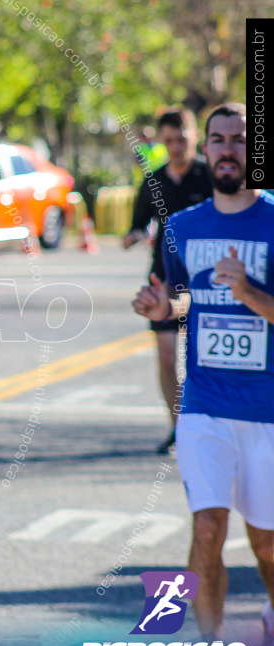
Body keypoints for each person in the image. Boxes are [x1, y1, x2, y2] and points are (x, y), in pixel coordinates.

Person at [132, 102, 274, 641]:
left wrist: (248, 294)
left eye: (240, 140)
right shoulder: (182, 228)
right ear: (206, 148)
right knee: (209, 526)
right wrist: (164, 309)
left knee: (266, 545)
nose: (228, 150)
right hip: (206, 406)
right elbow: (185, 299)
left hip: (268, 411)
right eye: (218, 140)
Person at [124, 108, 212, 454]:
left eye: (182, 139)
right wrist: (132, 235)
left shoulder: (210, 178)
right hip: (165, 281)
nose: (176, 147)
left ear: (194, 138)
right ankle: (179, 429)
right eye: (170, 140)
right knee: (165, 356)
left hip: (206, 281)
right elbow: (137, 224)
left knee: (203, 357)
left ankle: (208, 423)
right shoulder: (154, 181)